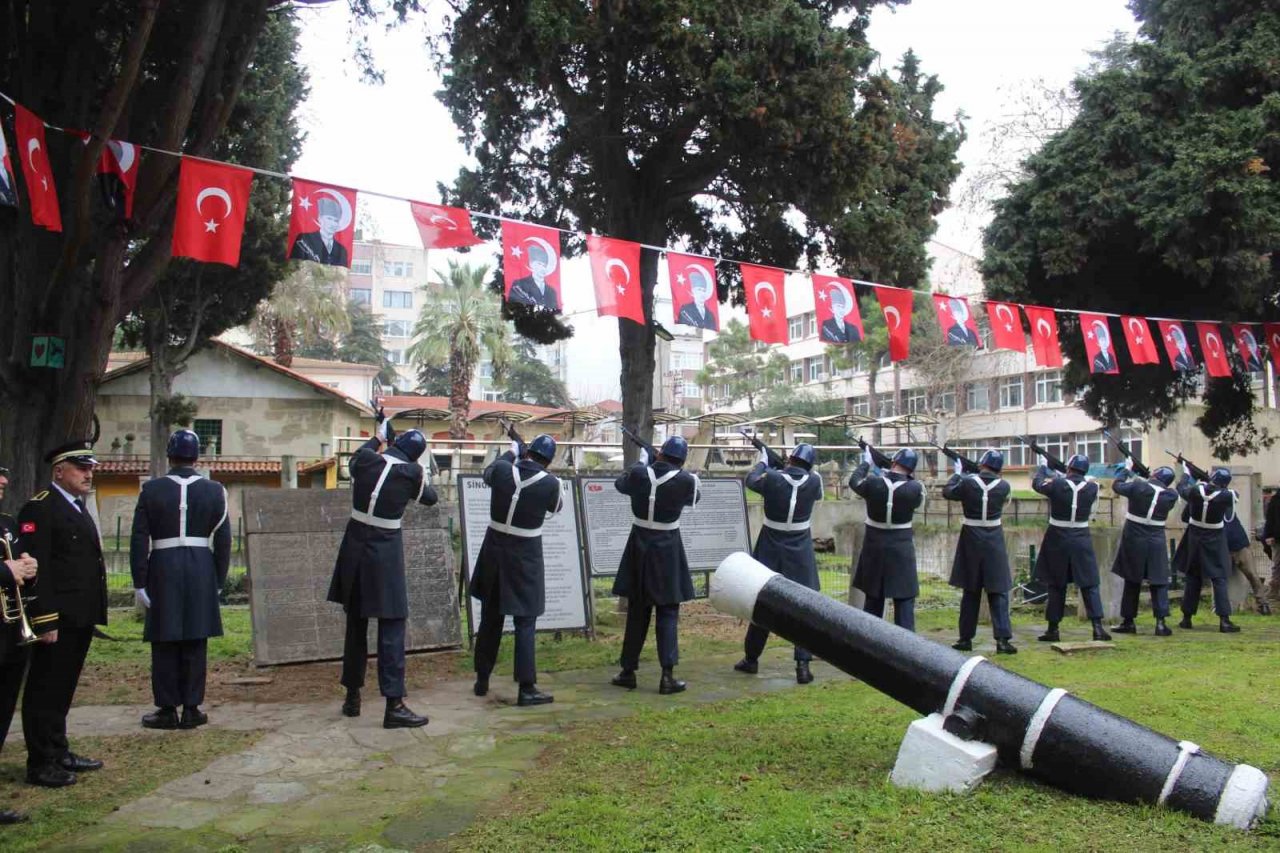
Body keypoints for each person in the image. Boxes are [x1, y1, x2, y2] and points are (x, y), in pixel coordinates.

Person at [327, 411, 437, 728]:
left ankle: (352, 697)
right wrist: (424, 472)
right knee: (392, 625)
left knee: (356, 623)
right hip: (384, 549)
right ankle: (394, 704)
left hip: (354, 545)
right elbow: (429, 498)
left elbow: (358, 456)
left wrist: (379, 436)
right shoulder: (412, 473)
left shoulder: (364, 460)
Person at [130, 429, 232, 730]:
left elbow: (139, 538)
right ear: (196, 457)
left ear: (169, 455)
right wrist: (218, 580)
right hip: (201, 566)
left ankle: (166, 708)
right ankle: (191, 708)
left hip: (163, 566)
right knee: (195, 639)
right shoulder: (215, 490)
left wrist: (140, 580)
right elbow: (223, 540)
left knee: (164, 639)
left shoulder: (151, 490)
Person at [20, 440, 108, 788]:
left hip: (79, 616)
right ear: (59, 471)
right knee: (45, 689)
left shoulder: (76, 506)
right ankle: (40, 762)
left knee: (63, 689)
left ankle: (59, 751)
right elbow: (38, 569)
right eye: (80, 468)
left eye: (90, 468)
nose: (88, 473)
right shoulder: (41, 508)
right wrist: (45, 619)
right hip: (57, 619)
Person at [469, 432, 563, 706]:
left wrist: (511, 453)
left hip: (494, 550)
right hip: (525, 554)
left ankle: (482, 678)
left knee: (491, 616)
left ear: (528, 451)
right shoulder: (550, 482)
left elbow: (489, 473)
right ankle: (526, 685)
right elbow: (555, 506)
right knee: (525, 620)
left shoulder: (502, 469)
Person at [610, 436, 700, 694]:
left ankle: (628, 670)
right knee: (668, 612)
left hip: (639, 545)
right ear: (681, 459)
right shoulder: (685, 480)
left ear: (660, 453)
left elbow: (621, 484)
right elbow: (696, 497)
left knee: (637, 612)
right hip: (668, 547)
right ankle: (667, 675)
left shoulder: (640, 473)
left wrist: (643, 462)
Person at [733, 443, 823, 683]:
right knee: (802, 609)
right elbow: (813, 491)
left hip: (771, 545)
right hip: (800, 549)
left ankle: (751, 659)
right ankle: (803, 665)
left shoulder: (772, 478)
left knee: (762, 604)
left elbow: (752, 481)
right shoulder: (814, 481)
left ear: (791, 458)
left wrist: (764, 460)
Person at [942, 449, 1016, 654]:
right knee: (998, 591)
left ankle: (965, 638)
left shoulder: (967, 482)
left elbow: (948, 492)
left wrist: (958, 473)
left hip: (971, 538)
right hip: (994, 538)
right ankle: (1002, 640)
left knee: (971, 591)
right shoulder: (1004, 486)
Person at [1032, 453, 1110, 642]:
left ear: (1069, 468)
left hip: (1057, 537)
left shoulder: (1058, 484)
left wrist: (1043, 468)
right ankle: (1097, 627)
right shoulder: (1091, 487)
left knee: (1056, 585)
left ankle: (1053, 628)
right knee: (1089, 584)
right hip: (1081, 537)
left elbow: (1038, 484)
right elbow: (1076, 486)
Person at [848, 443, 923, 631]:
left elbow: (854, 481)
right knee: (904, 600)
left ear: (894, 462)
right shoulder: (915, 488)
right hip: (901, 546)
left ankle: (868, 644)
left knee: (873, 598)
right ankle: (908, 651)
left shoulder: (874, 482)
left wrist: (866, 463)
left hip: (875, 545)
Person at [0, 465, 39, 823]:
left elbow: (18, 563)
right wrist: (5, 572)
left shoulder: (7, 523)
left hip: (10, 633)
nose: (4, 482)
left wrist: (28, 565)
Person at [1109, 463, 1180, 636]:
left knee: (1132, 580)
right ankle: (1161, 623)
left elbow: (1117, 486)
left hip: (1134, 537)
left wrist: (1126, 471)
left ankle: (1128, 621)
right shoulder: (1171, 495)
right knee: (1159, 581)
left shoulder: (1138, 485)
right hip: (1156, 539)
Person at [1175, 466, 1242, 632]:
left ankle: (1186, 618)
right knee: (1219, 578)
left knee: (1193, 577)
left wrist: (1187, 474)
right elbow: (1232, 494)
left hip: (1194, 537)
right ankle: (1224, 620)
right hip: (1215, 537)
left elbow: (1181, 488)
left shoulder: (1196, 491)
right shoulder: (1227, 496)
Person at [1225, 509, 1270, 615]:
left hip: (1240, 545)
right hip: (1224, 547)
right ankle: (1220, 606)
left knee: (1253, 576)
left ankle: (1263, 604)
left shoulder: (1227, 502)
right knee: (1221, 579)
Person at [289, 195, 349, 266]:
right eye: (329, 218)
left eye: (336, 221)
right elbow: (294, 264)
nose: (332, 223)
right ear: (320, 219)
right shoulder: (304, 239)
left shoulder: (342, 250)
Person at [508, 243, 560, 310]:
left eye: (545, 266)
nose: (542, 268)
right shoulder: (519, 284)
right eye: (539, 264)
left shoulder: (552, 291)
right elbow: (512, 307)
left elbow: (555, 311)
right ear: (531, 264)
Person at [1263, 489, 1280, 608]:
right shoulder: (1275, 500)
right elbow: (1270, 519)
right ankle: (1274, 590)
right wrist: (1269, 534)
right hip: (1277, 538)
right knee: (1277, 564)